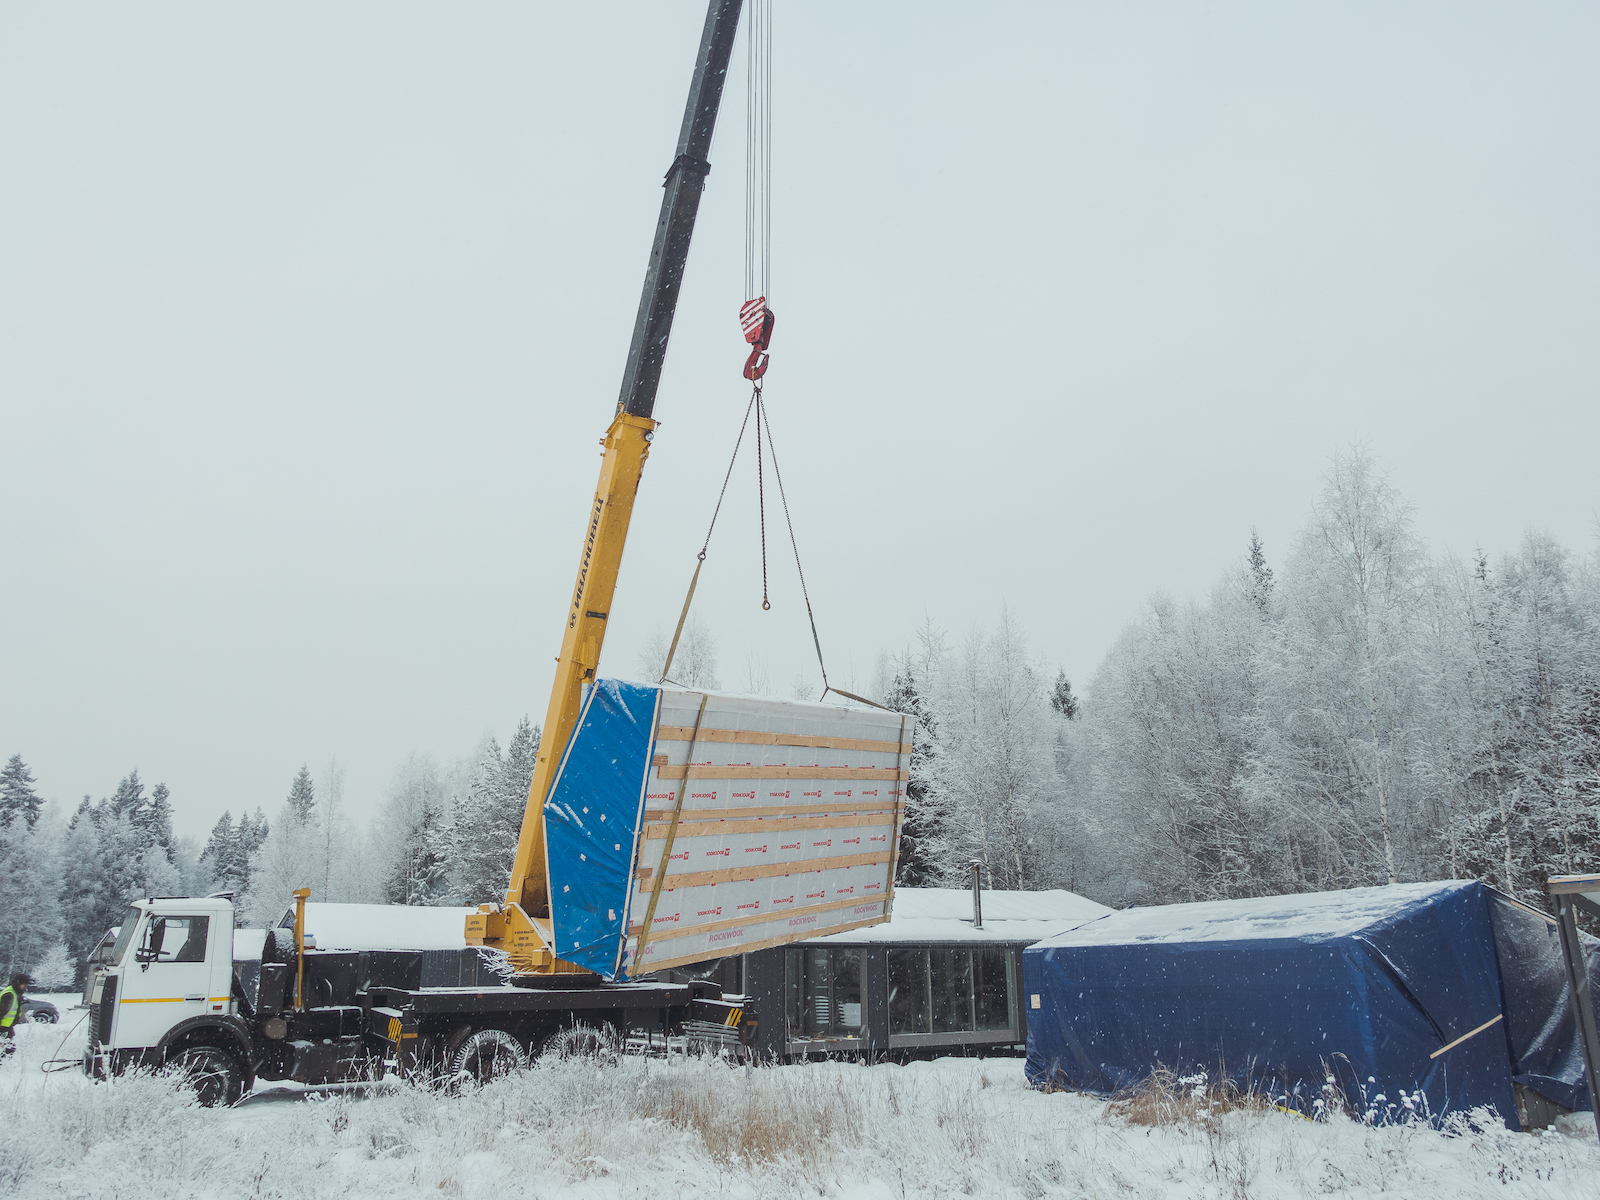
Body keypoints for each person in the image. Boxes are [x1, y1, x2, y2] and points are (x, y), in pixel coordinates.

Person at [0, 973, 29, 1059]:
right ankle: (4, 1064)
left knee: (7, 1047)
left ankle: (4, 1063)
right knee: (8, 1048)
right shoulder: (9, 994)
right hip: (3, 1026)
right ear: (18, 983)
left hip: (7, 1026)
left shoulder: (15, 992)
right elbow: (1, 1011)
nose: (25, 986)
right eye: (24, 984)